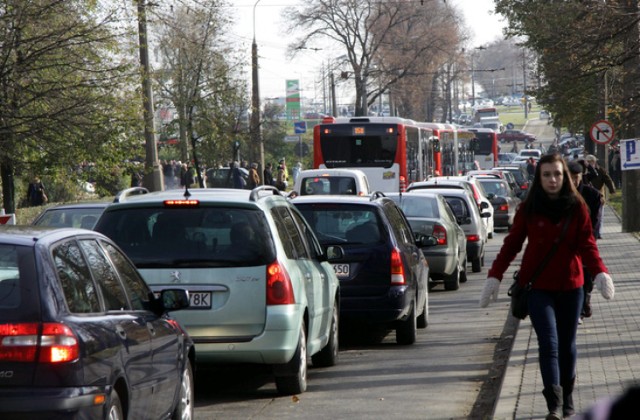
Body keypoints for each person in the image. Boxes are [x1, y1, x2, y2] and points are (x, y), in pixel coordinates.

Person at [479, 153, 615, 420]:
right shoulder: (529, 207)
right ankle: (553, 404)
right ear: (539, 179)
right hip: (538, 287)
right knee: (548, 343)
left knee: (567, 344)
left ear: (565, 178)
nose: (552, 179)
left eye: (557, 174)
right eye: (546, 175)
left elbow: (587, 244)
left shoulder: (577, 207)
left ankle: (568, 399)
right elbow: (512, 245)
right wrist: (494, 276)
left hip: (571, 286)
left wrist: (600, 273)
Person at [568, 160, 603, 324]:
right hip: (565, 246)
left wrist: (589, 243)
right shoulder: (557, 196)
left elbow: (595, 224)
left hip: (585, 243)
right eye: (570, 177)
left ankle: (583, 304)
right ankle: (575, 310)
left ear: (581, 176)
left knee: (586, 277)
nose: (574, 181)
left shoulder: (592, 195)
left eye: (576, 177)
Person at [583, 154, 615, 239]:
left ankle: (599, 232)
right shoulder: (584, 171)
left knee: (599, 215)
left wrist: (612, 190)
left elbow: (608, 180)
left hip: (599, 196)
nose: (590, 163)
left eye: (591, 161)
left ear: (594, 162)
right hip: (587, 197)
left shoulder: (600, 170)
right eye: (588, 162)